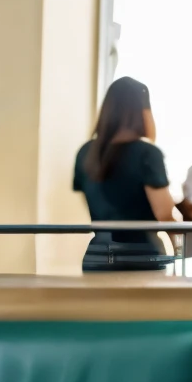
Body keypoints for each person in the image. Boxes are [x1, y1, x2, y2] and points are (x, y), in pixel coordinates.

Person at [73, 77, 177, 271]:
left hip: (98, 256)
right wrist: (179, 249)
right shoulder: (147, 153)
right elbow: (164, 212)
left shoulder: (85, 152)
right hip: (142, 255)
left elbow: (93, 201)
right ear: (142, 112)